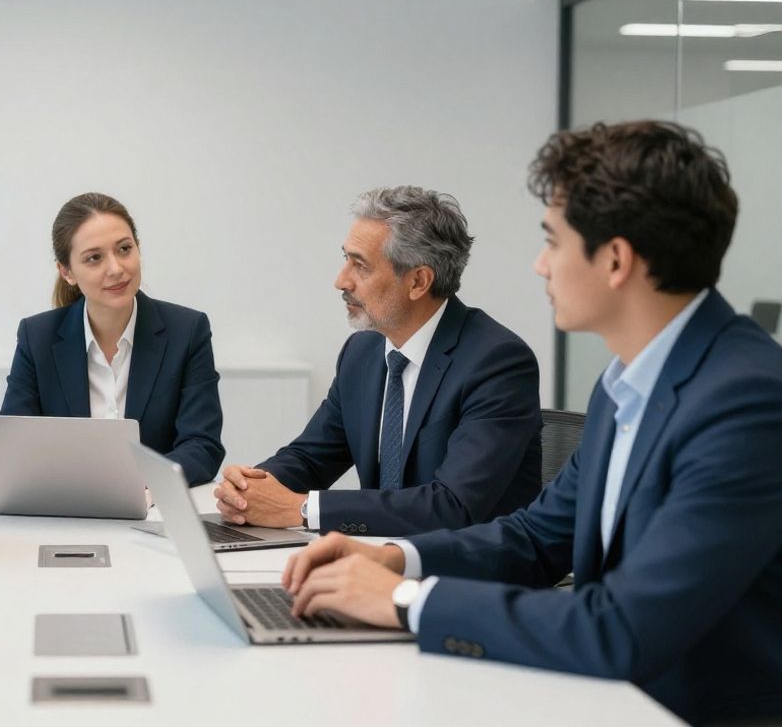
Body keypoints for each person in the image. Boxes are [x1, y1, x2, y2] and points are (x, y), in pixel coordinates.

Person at [281, 121, 782, 725]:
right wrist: (394, 559)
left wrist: (407, 600)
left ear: (616, 260)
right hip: (608, 694)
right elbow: (536, 538)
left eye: (554, 241)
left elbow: (622, 626)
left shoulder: (746, 401)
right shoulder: (626, 382)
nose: (540, 265)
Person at [214, 186, 541, 536]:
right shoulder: (362, 352)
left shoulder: (497, 362)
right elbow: (311, 457)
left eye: (360, 266)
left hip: (467, 575)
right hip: (377, 559)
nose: (341, 280)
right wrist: (251, 489)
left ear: (418, 281)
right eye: (345, 259)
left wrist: (301, 509)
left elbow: (452, 505)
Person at [0, 192, 225, 485]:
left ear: (138, 248)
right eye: (94, 258)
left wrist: (135, 483)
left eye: (124, 249)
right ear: (66, 272)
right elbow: (13, 446)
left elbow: (202, 447)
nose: (116, 269)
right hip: (66, 512)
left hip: (154, 512)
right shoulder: (37, 337)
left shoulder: (187, 330)